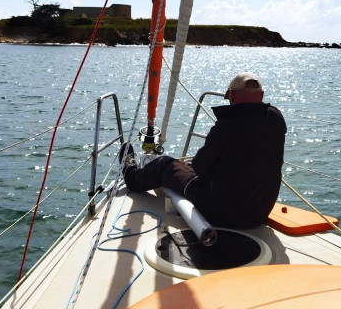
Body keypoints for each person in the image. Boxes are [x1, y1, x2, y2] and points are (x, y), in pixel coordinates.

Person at [120, 72, 286, 229]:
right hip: (258, 214)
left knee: (165, 164)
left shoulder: (226, 127)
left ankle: (131, 175)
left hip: (220, 213)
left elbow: (201, 169)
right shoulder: (276, 118)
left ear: (232, 95)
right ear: (262, 96)